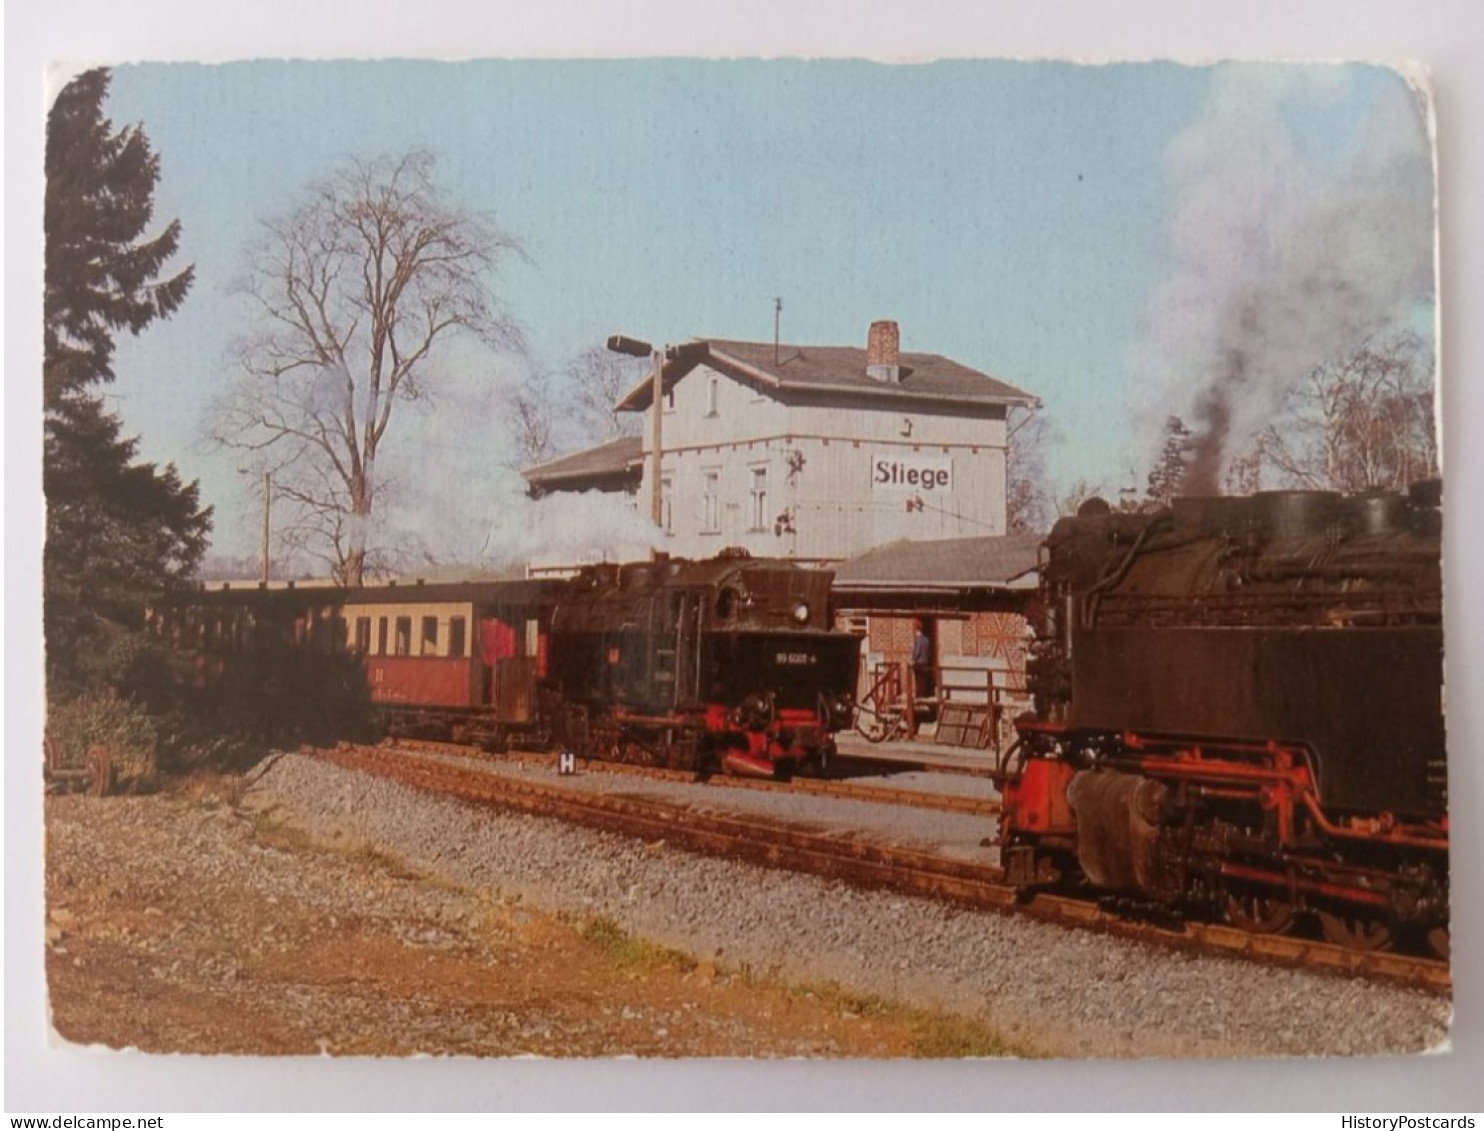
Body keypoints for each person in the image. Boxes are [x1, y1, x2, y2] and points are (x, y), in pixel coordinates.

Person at [911, 618, 934, 703]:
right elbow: (927, 651)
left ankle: (919, 696)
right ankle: (923, 694)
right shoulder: (926, 640)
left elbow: (917, 651)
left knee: (918, 680)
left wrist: (913, 659)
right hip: (925, 661)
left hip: (919, 662)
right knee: (923, 679)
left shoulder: (918, 640)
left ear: (917, 630)